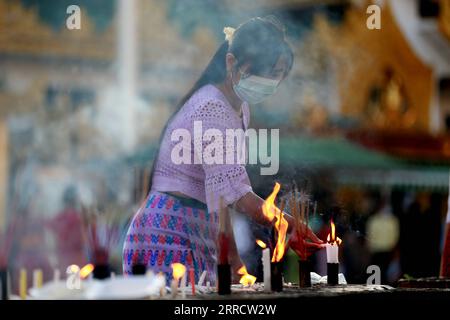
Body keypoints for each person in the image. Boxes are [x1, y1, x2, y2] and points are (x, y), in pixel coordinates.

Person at [123, 16, 323, 284]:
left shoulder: (240, 109)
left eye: (277, 75)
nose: (270, 82)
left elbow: (220, 195)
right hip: (168, 229)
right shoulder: (212, 107)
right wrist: (285, 222)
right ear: (232, 63)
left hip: (199, 227)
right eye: (264, 72)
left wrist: (234, 260)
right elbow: (238, 195)